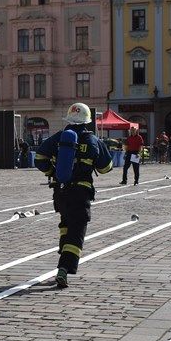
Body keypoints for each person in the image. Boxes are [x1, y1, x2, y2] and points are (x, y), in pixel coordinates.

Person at [34, 102, 113, 289]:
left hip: (60, 191)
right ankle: (64, 268)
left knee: (66, 224)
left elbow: (39, 159)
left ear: (69, 119)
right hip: (81, 192)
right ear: (87, 121)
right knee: (77, 231)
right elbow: (106, 168)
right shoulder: (93, 140)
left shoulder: (58, 138)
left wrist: (52, 171)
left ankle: (63, 252)